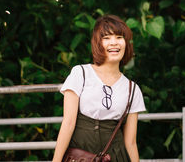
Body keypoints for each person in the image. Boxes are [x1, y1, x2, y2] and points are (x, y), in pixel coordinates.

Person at [52, 14, 146, 162]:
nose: (114, 43)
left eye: (119, 37)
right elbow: (68, 124)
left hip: (116, 157)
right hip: (80, 156)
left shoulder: (132, 89)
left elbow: (131, 142)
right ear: (98, 43)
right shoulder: (81, 73)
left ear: (126, 43)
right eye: (106, 38)